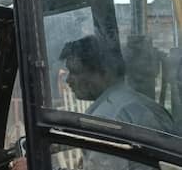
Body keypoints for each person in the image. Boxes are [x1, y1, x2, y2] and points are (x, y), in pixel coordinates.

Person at [11, 35, 174, 170]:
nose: (68, 80)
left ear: (104, 72)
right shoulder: (136, 103)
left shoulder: (107, 118)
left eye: (75, 72)